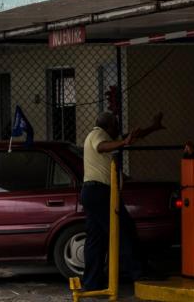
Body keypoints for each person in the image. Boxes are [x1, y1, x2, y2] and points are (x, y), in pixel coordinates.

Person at [80, 111, 164, 291]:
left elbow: (128, 137)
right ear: (109, 125)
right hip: (100, 191)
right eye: (116, 125)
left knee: (96, 239)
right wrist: (123, 142)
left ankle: (91, 282)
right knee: (124, 229)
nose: (118, 129)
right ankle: (138, 272)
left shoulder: (107, 137)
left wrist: (152, 128)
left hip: (91, 193)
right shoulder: (97, 134)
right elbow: (102, 147)